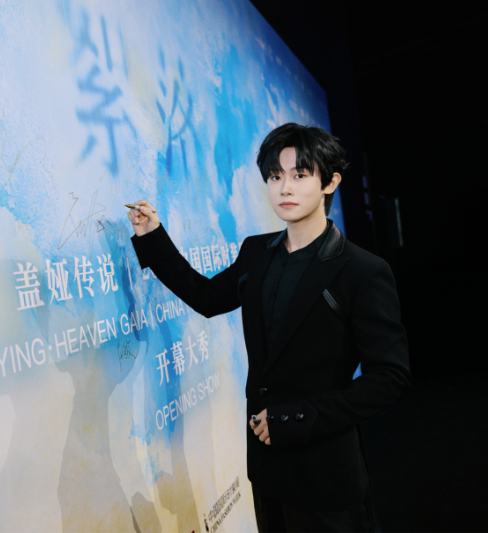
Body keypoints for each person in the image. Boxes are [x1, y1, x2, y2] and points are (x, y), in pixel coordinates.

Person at [128, 123, 410, 533]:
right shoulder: (256, 252)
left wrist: (298, 418)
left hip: (327, 474)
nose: (284, 188)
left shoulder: (363, 271)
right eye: (275, 176)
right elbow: (206, 298)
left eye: (300, 175)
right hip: (267, 469)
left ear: (330, 182)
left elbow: (390, 377)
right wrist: (153, 237)